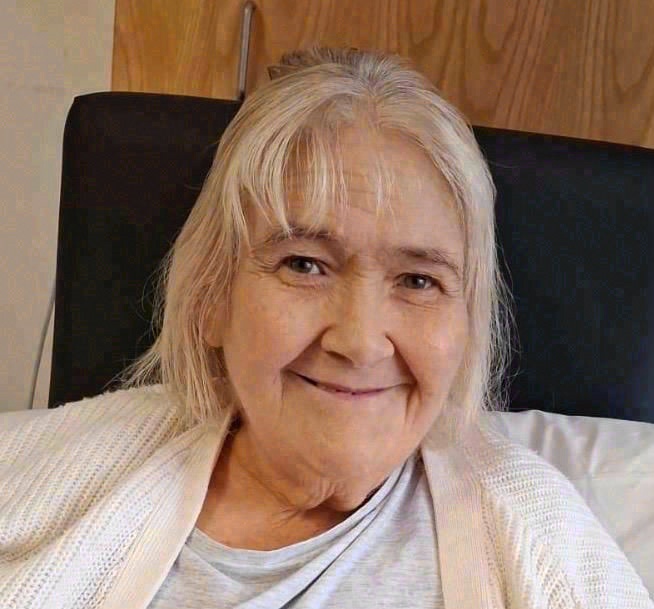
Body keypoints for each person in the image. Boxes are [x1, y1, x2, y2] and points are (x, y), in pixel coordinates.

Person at [1, 47, 652, 609]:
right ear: (211, 297)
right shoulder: (57, 476)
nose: (360, 341)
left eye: (418, 280)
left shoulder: (542, 543)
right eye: (304, 264)